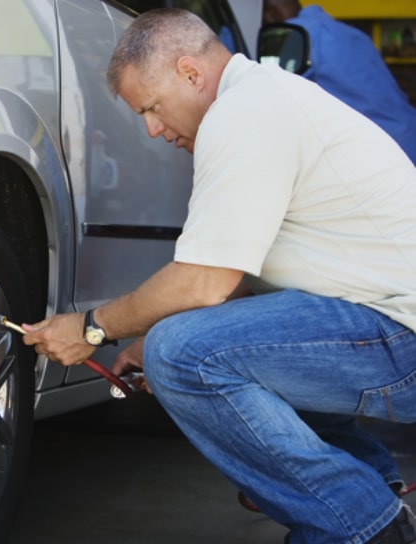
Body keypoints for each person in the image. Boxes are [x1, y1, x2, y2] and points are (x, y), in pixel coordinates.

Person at [22, 8, 416, 544]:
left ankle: (364, 525)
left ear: (190, 73)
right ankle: (370, 487)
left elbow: (203, 281)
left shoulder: (245, 112)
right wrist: (146, 331)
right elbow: (237, 275)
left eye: (152, 108)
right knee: (187, 342)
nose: (153, 130)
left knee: (181, 354)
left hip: (398, 337)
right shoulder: (265, 97)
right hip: (384, 322)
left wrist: (92, 327)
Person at [263, 0, 416, 164]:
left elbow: (276, 95)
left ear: (271, 15)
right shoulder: (350, 32)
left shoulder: (295, 35)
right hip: (407, 135)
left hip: (379, 151)